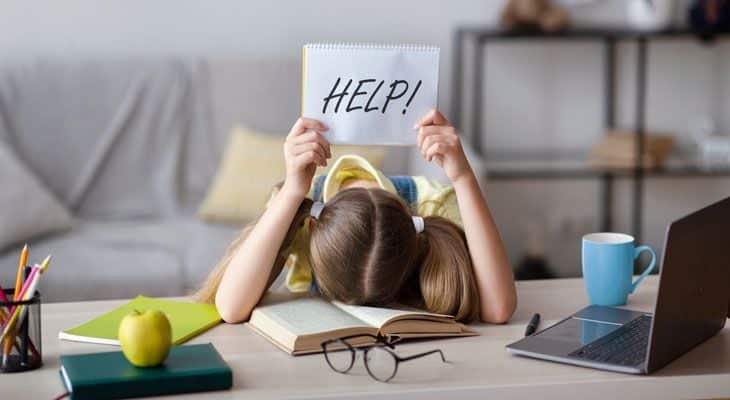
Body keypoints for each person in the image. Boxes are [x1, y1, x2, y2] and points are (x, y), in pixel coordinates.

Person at [196, 109, 516, 324]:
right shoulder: (300, 209)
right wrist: (292, 191)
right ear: (311, 228)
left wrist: (463, 178)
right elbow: (231, 307)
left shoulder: (432, 202)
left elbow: (499, 309)